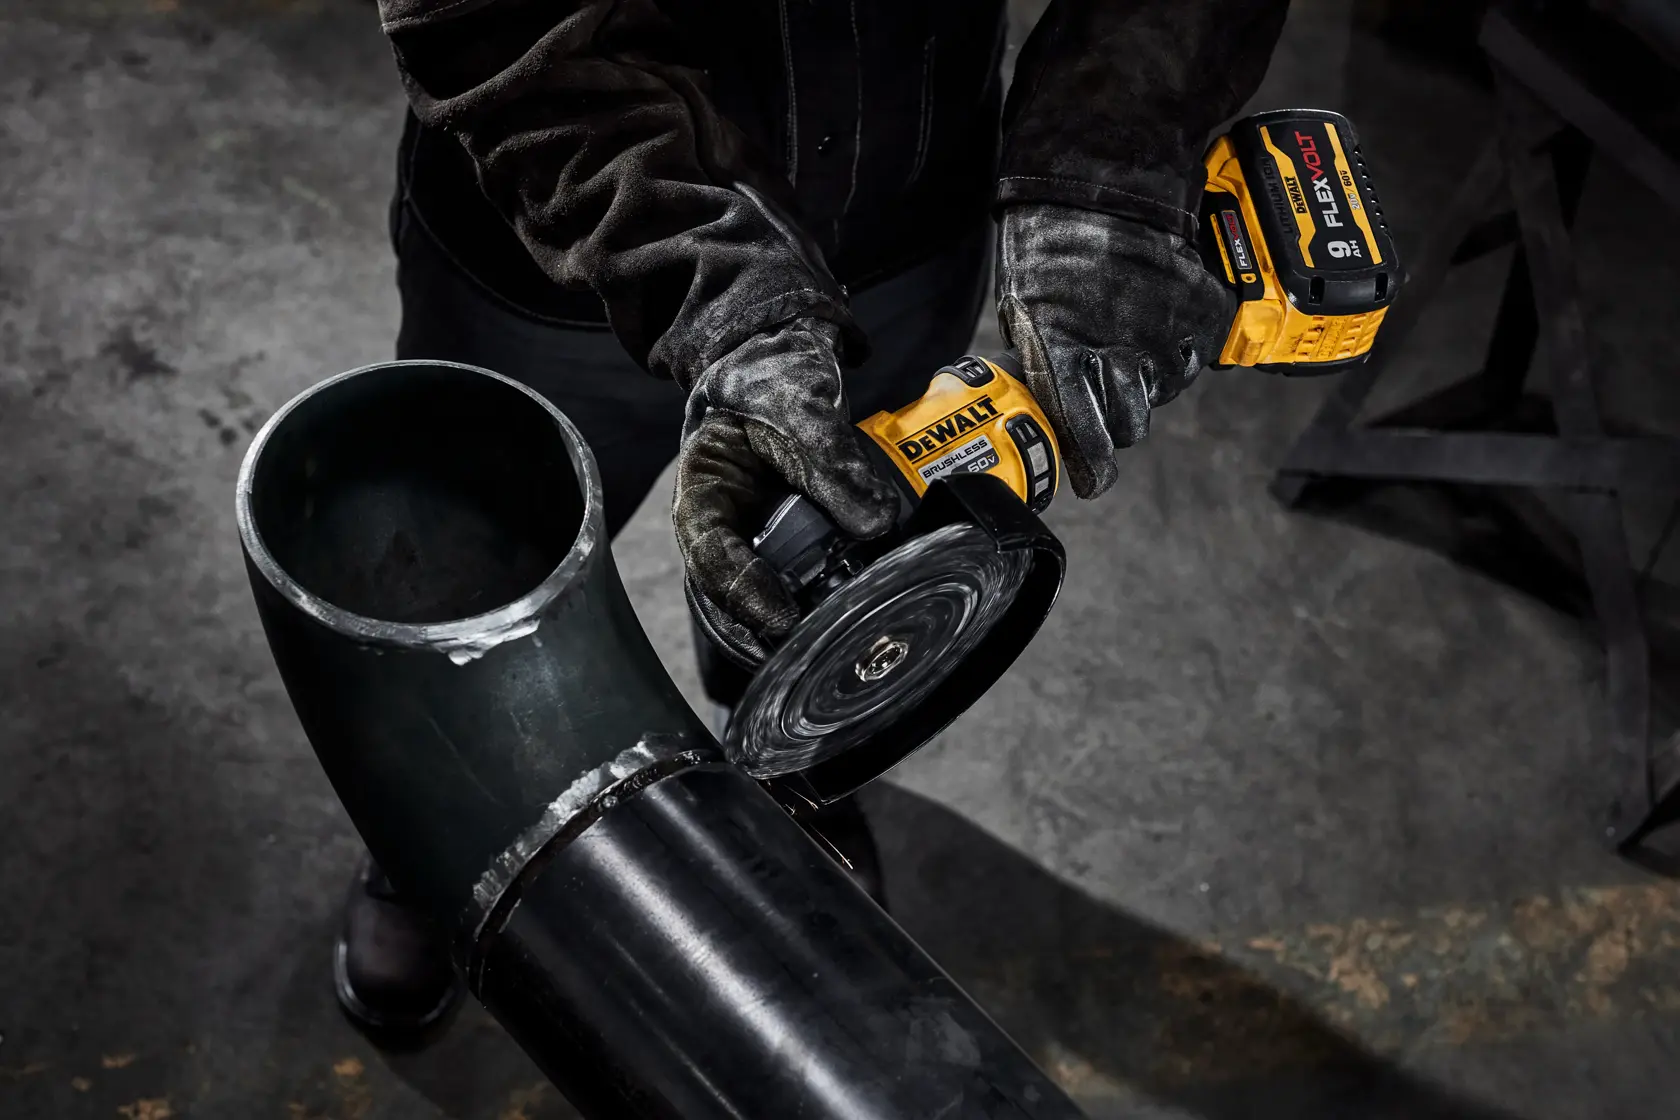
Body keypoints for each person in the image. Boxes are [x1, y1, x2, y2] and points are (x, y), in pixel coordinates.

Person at [338, 0, 1290, 1040]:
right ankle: (432, 824)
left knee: (824, 548)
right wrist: (724, 301)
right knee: (473, 568)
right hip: (568, 230)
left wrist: (1108, 158)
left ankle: (787, 772)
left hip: (901, 200)